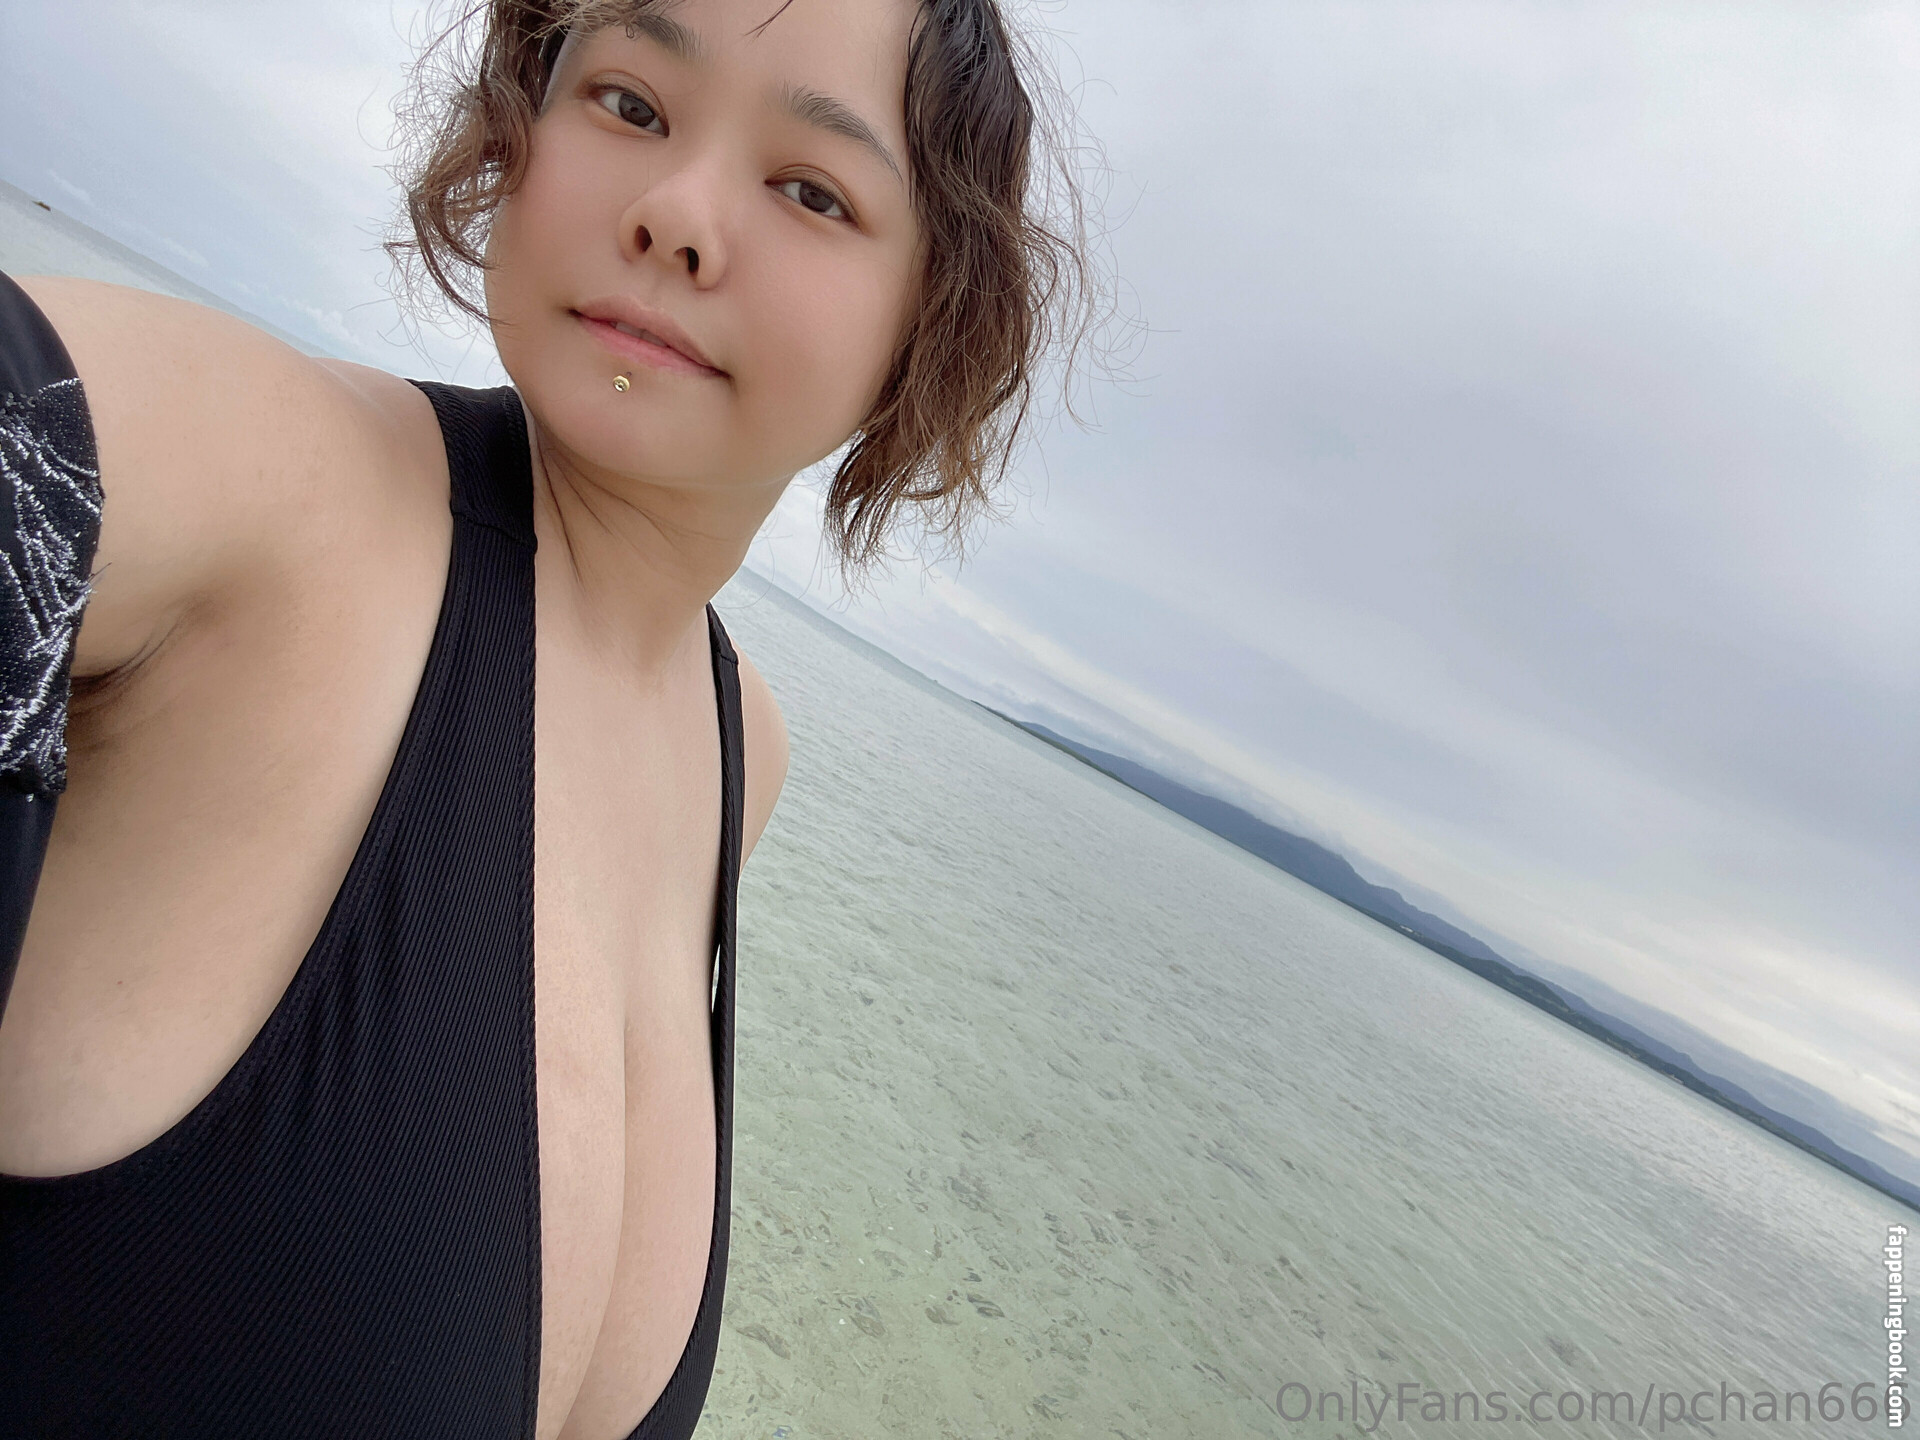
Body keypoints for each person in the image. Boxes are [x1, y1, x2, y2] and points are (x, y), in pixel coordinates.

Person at [0, 1, 1100, 1435]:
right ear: (526, 111)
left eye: (812, 190)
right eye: (631, 104)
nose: (678, 215)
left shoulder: (737, 751)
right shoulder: (290, 499)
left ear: (927, 323)